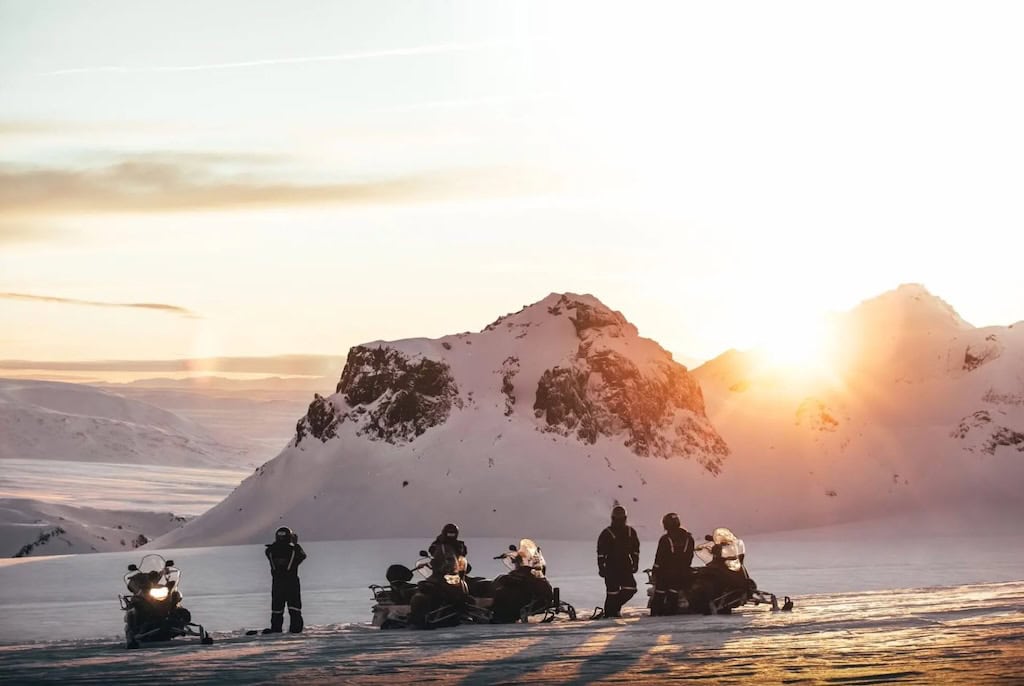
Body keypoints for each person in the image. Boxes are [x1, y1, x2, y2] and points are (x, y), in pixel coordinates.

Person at [596, 505, 640, 618]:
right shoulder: (607, 533)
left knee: (630, 589)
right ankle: (611, 613)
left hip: (624, 565)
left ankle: (612, 610)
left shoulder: (630, 532)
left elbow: (635, 550)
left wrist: (635, 563)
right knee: (612, 592)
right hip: (612, 566)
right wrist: (601, 567)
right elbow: (601, 553)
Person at [263, 526, 307, 634]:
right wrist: (296, 544)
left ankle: (276, 629)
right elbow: (302, 556)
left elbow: (269, 551)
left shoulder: (271, 551)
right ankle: (295, 629)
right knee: (294, 608)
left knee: (277, 609)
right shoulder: (293, 551)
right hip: (291, 583)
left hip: (278, 583)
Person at [650, 512, 695, 616]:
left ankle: (656, 613)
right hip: (682, 572)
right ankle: (671, 612)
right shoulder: (689, 538)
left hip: (666, 573)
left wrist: (655, 571)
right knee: (673, 592)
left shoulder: (665, 539)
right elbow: (690, 556)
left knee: (660, 592)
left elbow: (659, 558)